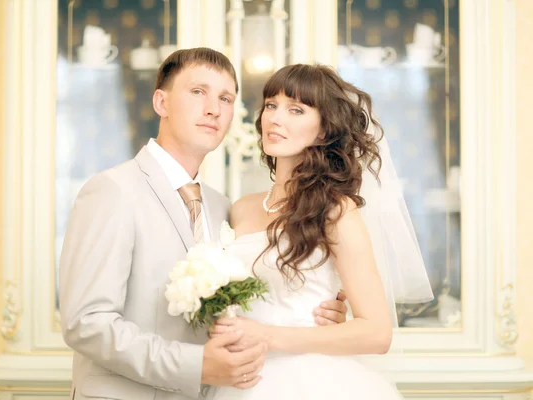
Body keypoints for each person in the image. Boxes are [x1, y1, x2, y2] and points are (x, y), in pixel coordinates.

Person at [59, 48, 347, 400]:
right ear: (161, 103)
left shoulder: (221, 207)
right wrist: (195, 366)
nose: (214, 108)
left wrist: (313, 314)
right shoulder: (112, 190)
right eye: (198, 92)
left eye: (226, 98)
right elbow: (86, 323)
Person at [209, 64, 434, 399]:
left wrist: (267, 335)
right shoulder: (240, 207)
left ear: (324, 129)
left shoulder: (335, 211)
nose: (275, 118)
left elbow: (377, 333)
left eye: (295, 109)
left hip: (310, 380)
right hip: (237, 378)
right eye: (271, 105)